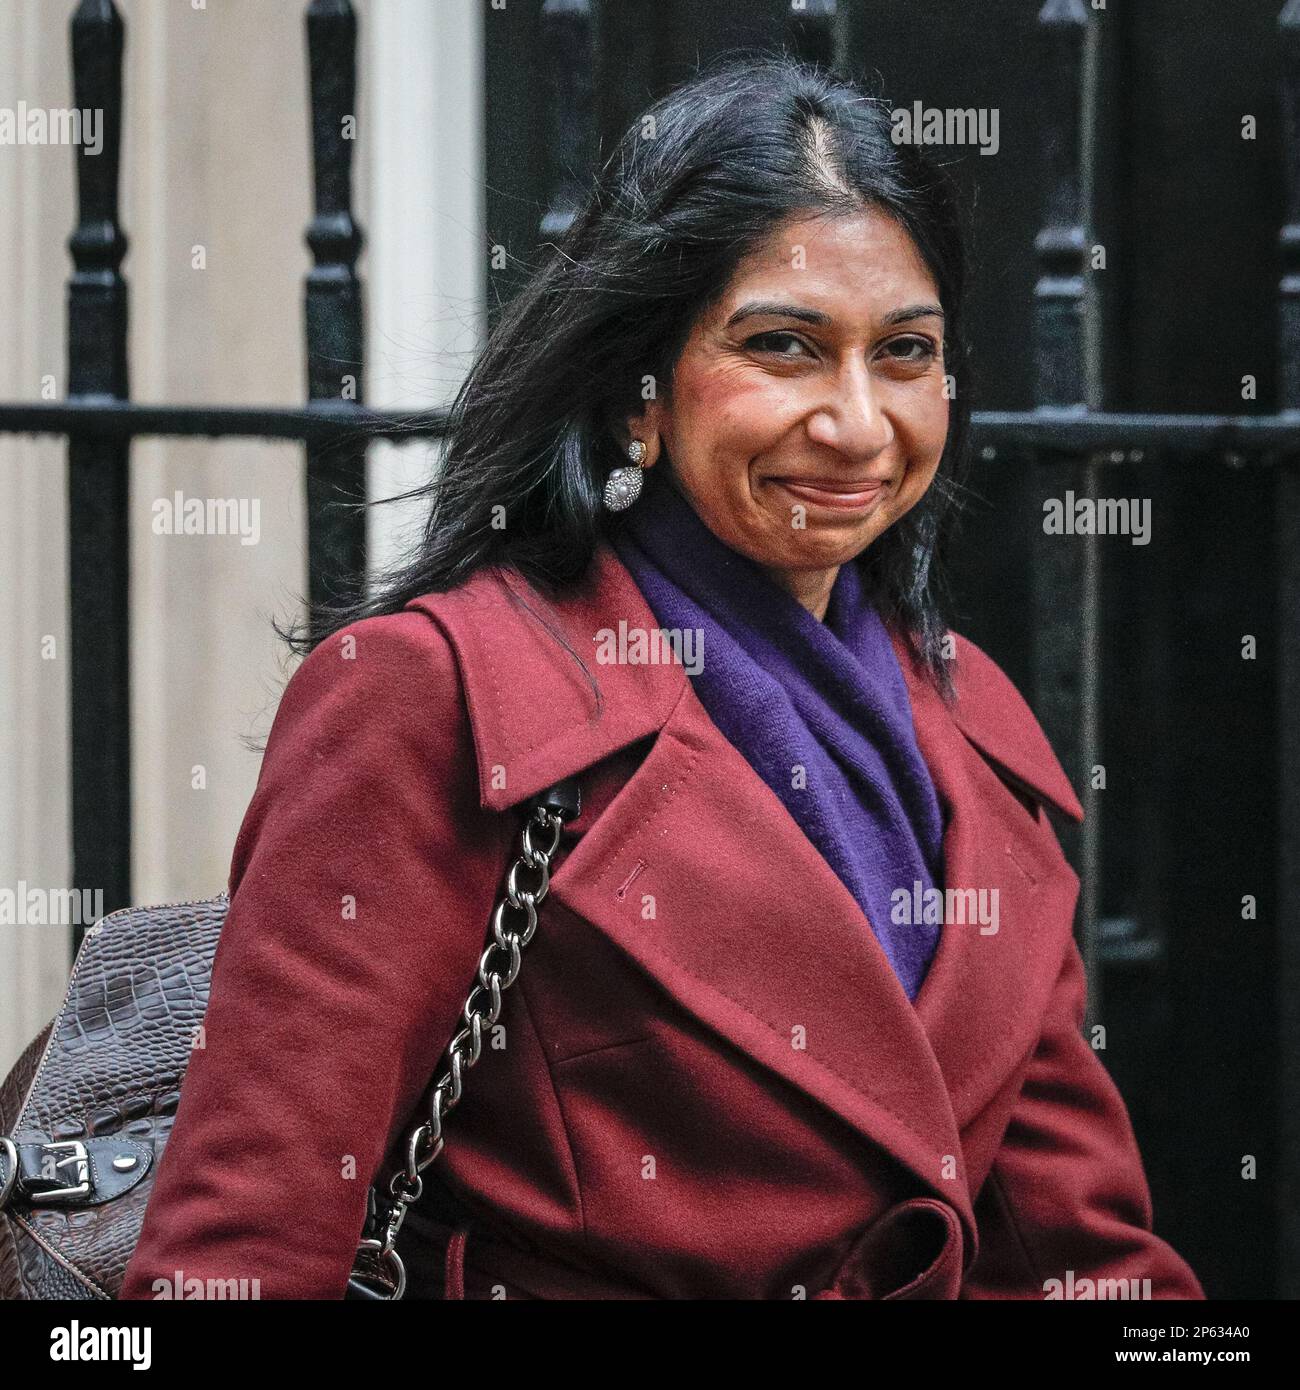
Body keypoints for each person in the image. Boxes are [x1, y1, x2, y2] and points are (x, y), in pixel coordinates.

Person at [119, 54, 1204, 1301]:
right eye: (784, 346)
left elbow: (1079, 1258)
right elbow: (243, 1252)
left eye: (903, 352)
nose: (858, 422)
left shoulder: (977, 733)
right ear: (638, 395)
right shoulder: (438, 699)